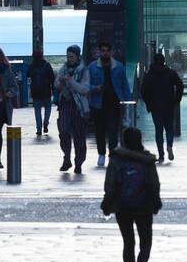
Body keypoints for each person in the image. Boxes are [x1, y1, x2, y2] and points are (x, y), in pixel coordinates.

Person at [102, 127, 162, 262]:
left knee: (128, 243)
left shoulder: (116, 159)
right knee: (146, 242)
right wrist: (156, 202)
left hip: (123, 207)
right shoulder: (147, 160)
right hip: (144, 207)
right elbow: (154, 184)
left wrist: (107, 203)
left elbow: (110, 185)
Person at [88, 41, 131, 167]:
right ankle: (101, 153)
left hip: (114, 103)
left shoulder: (118, 67)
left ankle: (112, 154)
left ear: (111, 52)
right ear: (99, 52)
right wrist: (95, 88)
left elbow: (125, 86)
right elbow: (86, 85)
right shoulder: (92, 67)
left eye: (107, 50)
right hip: (97, 104)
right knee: (99, 131)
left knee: (113, 131)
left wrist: (127, 104)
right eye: (102, 50)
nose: (105, 53)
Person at [141, 51, 184, 162]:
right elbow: (180, 85)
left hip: (155, 107)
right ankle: (169, 145)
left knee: (158, 130)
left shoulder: (149, 75)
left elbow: (143, 91)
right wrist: (176, 100)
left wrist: (148, 103)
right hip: (169, 105)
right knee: (169, 128)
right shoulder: (170, 73)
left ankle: (161, 155)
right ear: (164, 61)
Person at [54, 45, 91, 173]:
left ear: (78, 56)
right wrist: (61, 82)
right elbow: (56, 84)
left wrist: (71, 82)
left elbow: (85, 89)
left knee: (79, 135)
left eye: (72, 57)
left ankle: (79, 162)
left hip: (79, 106)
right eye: (68, 56)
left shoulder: (84, 70)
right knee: (64, 132)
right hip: (65, 103)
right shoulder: (63, 69)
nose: (69, 59)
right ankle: (67, 158)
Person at [29, 47, 55, 137]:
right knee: (48, 108)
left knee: (37, 111)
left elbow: (28, 75)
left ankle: (39, 129)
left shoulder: (32, 66)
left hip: (35, 92)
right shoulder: (47, 65)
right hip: (46, 91)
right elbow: (52, 78)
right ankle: (46, 123)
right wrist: (53, 88)